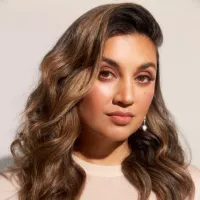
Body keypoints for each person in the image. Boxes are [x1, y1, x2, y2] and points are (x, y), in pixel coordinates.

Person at [0, 2, 200, 200]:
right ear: (69, 78)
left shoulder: (187, 188)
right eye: (106, 74)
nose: (126, 97)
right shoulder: (13, 189)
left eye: (143, 78)